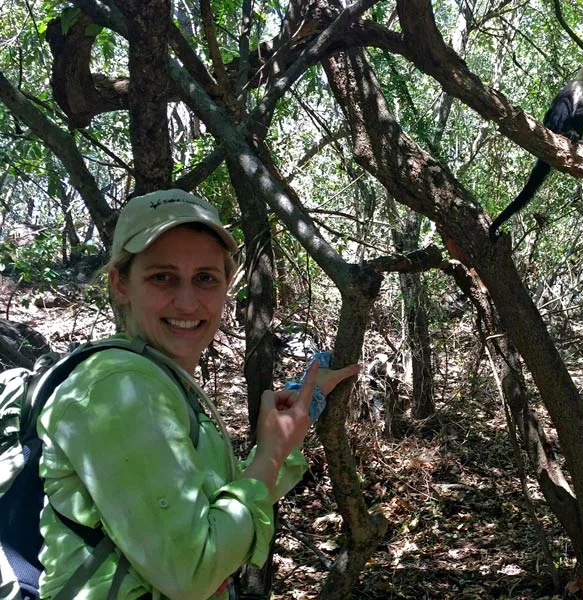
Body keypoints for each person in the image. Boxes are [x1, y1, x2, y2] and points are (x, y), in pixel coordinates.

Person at [36, 189, 359, 599]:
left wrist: (305, 400)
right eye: (162, 277)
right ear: (120, 283)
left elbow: (220, 502)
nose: (187, 302)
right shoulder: (118, 389)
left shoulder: (160, 378)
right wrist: (271, 453)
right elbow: (193, 572)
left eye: (205, 278)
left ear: (227, 286)